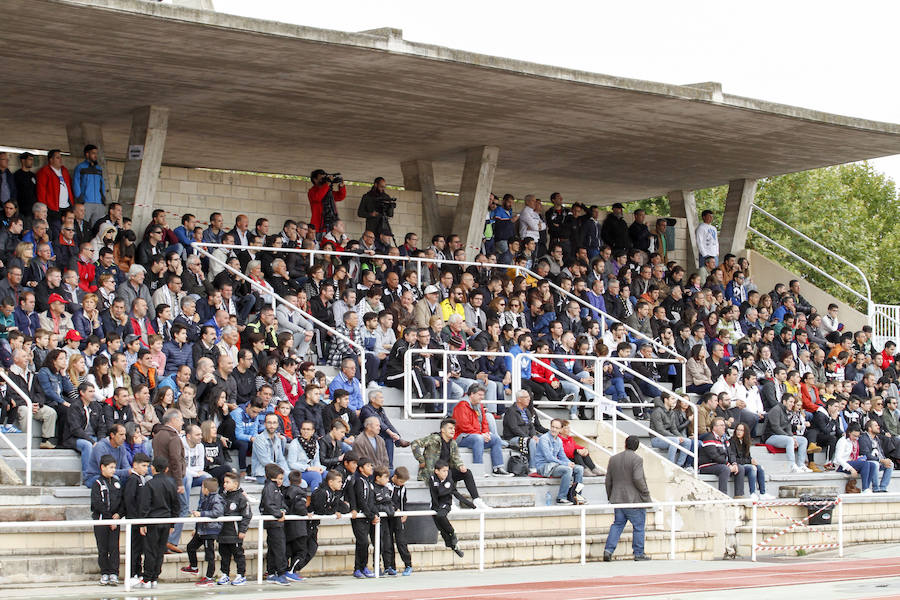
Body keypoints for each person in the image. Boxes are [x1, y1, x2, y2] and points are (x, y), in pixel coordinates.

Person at [410, 418, 488, 509]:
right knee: (447, 472)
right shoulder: (434, 439)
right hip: (432, 473)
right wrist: (421, 460)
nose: (453, 430)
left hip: (446, 473)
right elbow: (415, 443)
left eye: (454, 429)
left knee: (467, 473)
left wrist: (460, 466)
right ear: (443, 430)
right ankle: (448, 502)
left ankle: (476, 500)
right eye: (450, 428)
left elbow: (457, 459)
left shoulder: (453, 443)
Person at [603, 435, 652, 561]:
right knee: (639, 526)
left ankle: (608, 550)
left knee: (617, 524)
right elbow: (638, 478)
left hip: (617, 498)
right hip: (633, 500)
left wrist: (611, 496)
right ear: (637, 446)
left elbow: (608, 480)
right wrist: (645, 493)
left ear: (625, 444)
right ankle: (639, 553)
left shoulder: (613, 459)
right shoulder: (637, 459)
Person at [135, 455, 180, 589]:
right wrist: (173, 523)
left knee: (150, 550)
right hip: (166, 521)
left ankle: (147, 578)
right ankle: (154, 577)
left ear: (153, 468)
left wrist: (142, 523)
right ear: (166, 469)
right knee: (160, 550)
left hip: (152, 522)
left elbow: (145, 505)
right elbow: (176, 505)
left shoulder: (150, 484)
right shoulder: (172, 483)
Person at [452, 383, 512, 476]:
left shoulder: (479, 406)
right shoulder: (461, 405)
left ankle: (498, 468)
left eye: (483, 395)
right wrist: (481, 434)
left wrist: (486, 433)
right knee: (478, 438)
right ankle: (478, 468)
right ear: (472, 394)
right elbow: (464, 426)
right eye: (480, 395)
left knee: (495, 439)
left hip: (476, 435)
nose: (482, 397)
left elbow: (484, 422)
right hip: (461, 437)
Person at [184, 477, 225, 586]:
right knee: (190, 547)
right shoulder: (204, 498)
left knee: (209, 555)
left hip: (210, 531)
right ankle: (193, 567)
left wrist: (201, 514)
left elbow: (217, 512)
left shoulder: (216, 499)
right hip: (201, 530)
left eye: (202, 487)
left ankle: (209, 577)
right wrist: (196, 528)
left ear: (206, 489)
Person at [534, 418, 586, 505]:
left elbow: (562, 456)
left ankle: (576, 495)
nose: (554, 429)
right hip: (544, 467)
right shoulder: (544, 439)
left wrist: (570, 463)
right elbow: (549, 457)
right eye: (552, 427)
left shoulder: (559, 440)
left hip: (555, 465)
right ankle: (561, 498)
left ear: (560, 429)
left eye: (557, 428)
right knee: (567, 469)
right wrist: (566, 464)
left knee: (579, 469)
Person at [428, 459, 472, 558]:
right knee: (440, 528)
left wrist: (470, 504)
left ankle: (452, 533)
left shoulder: (449, 479)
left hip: (446, 503)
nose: (446, 473)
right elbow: (434, 494)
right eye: (443, 471)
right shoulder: (431, 478)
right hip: (436, 504)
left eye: (447, 471)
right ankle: (453, 546)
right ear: (436, 471)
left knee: (441, 516)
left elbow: (449, 492)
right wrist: (435, 507)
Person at [90, 454, 123, 586]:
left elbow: (122, 501)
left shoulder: (117, 482)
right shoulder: (97, 483)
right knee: (103, 548)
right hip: (102, 521)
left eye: (114, 467)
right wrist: (109, 518)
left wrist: (119, 514)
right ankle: (104, 573)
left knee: (114, 548)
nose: (113, 470)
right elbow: (97, 503)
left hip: (115, 522)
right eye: (110, 467)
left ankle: (114, 573)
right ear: (102, 467)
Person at [217, 471, 252, 585]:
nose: (225, 484)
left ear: (235, 484)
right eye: (224, 482)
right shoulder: (222, 496)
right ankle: (225, 574)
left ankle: (241, 575)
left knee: (238, 554)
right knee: (224, 555)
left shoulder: (241, 498)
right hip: (223, 533)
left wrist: (242, 530)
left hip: (235, 533)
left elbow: (247, 515)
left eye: (228, 482)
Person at [122, 453, 151, 586]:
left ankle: (138, 573)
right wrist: (137, 520)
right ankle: (132, 573)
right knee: (134, 548)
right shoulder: (133, 480)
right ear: (135, 465)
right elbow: (129, 501)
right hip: (134, 521)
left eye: (147, 466)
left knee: (139, 548)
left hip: (139, 520)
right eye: (143, 465)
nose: (146, 469)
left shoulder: (141, 479)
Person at [764, 393, 812, 473]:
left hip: (782, 437)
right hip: (771, 436)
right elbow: (776, 428)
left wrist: (792, 436)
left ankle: (801, 464)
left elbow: (788, 428)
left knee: (803, 440)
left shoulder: (787, 411)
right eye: (790, 402)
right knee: (790, 440)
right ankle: (792, 464)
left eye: (793, 402)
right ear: (784, 402)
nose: (792, 404)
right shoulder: (776, 410)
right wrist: (790, 438)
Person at [260, 463, 291, 585]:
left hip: (277, 523)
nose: (281, 481)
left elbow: (282, 504)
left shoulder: (277, 489)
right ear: (272, 478)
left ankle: (272, 572)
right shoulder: (269, 488)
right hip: (273, 523)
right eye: (280, 479)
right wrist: (278, 514)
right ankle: (280, 573)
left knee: (274, 548)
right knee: (279, 548)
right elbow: (268, 505)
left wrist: (283, 511)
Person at [349, 457, 380, 578]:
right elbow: (361, 501)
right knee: (363, 542)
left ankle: (362, 567)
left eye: (371, 465)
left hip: (367, 516)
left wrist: (375, 513)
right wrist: (371, 515)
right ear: (361, 469)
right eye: (368, 466)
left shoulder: (369, 482)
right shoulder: (358, 481)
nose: (371, 468)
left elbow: (371, 501)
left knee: (362, 543)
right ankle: (359, 568)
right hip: (359, 517)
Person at [699, 417, 744, 496]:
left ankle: (739, 496)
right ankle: (723, 496)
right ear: (714, 428)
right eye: (721, 425)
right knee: (725, 469)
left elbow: (731, 453)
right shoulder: (709, 438)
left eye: (724, 425)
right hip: (707, 465)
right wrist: (728, 464)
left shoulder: (724, 439)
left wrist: (734, 463)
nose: (724, 427)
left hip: (721, 464)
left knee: (740, 468)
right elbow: (714, 456)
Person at [731, 422, 773, 500]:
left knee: (760, 468)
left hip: (745, 463)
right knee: (752, 468)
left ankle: (762, 493)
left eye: (741, 430)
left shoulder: (745, 442)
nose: (739, 432)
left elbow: (748, 457)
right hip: (738, 465)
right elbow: (733, 458)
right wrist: (749, 461)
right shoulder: (732, 441)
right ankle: (752, 493)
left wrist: (751, 460)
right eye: (738, 430)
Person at [384, 466, 412, 576]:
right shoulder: (387, 486)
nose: (401, 484)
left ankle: (408, 565)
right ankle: (391, 566)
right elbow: (388, 500)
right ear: (394, 477)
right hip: (388, 518)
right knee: (388, 542)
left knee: (401, 542)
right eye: (400, 481)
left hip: (398, 518)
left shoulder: (403, 488)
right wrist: (395, 508)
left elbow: (404, 501)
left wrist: (404, 512)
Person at [283, 470, 310, 580]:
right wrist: (306, 512)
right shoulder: (300, 492)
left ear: (289, 480)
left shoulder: (284, 491)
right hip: (298, 528)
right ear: (300, 481)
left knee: (288, 551)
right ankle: (291, 571)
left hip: (287, 527)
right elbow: (300, 508)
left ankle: (283, 570)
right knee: (301, 551)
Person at [287, 421, 326, 490]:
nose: (305, 431)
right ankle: (316, 498)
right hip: (298, 473)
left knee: (327, 474)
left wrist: (318, 468)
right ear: (301, 430)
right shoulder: (295, 443)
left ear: (313, 431)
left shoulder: (315, 443)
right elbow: (291, 464)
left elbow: (316, 461)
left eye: (308, 429)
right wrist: (308, 468)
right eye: (303, 429)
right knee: (315, 475)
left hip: (312, 470)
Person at [252, 413, 290, 481]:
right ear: (265, 424)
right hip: (263, 474)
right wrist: (282, 473)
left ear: (278, 424)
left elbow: (281, 459)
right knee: (288, 481)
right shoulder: (259, 439)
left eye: (274, 423)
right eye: (269, 423)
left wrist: (288, 472)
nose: (272, 426)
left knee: (299, 482)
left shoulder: (277, 439)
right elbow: (265, 461)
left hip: (276, 472)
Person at [859, 419, 894, 493]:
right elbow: (866, 455)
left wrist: (885, 460)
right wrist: (881, 460)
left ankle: (883, 487)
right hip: (868, 462)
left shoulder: (877, 438)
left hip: (879, 460)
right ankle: (876, 488)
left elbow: (880, 452)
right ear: (870, 428)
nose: (878, 427)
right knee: (875, 464)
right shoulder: (863, 438)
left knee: (891, 464)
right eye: (876, 425)